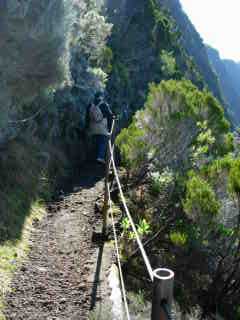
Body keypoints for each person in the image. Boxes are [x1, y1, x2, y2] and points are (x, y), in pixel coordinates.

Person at [85, 91, 114, 164]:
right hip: (102, 128)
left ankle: (91, 159)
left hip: (92, 128)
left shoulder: (90, 105)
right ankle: (100, 157)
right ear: (101, 97)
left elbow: (87, 118)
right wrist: (110, 126)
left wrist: (87, 128)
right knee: (103, 141)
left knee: (95, 141)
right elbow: (110, 115)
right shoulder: (104, 105)